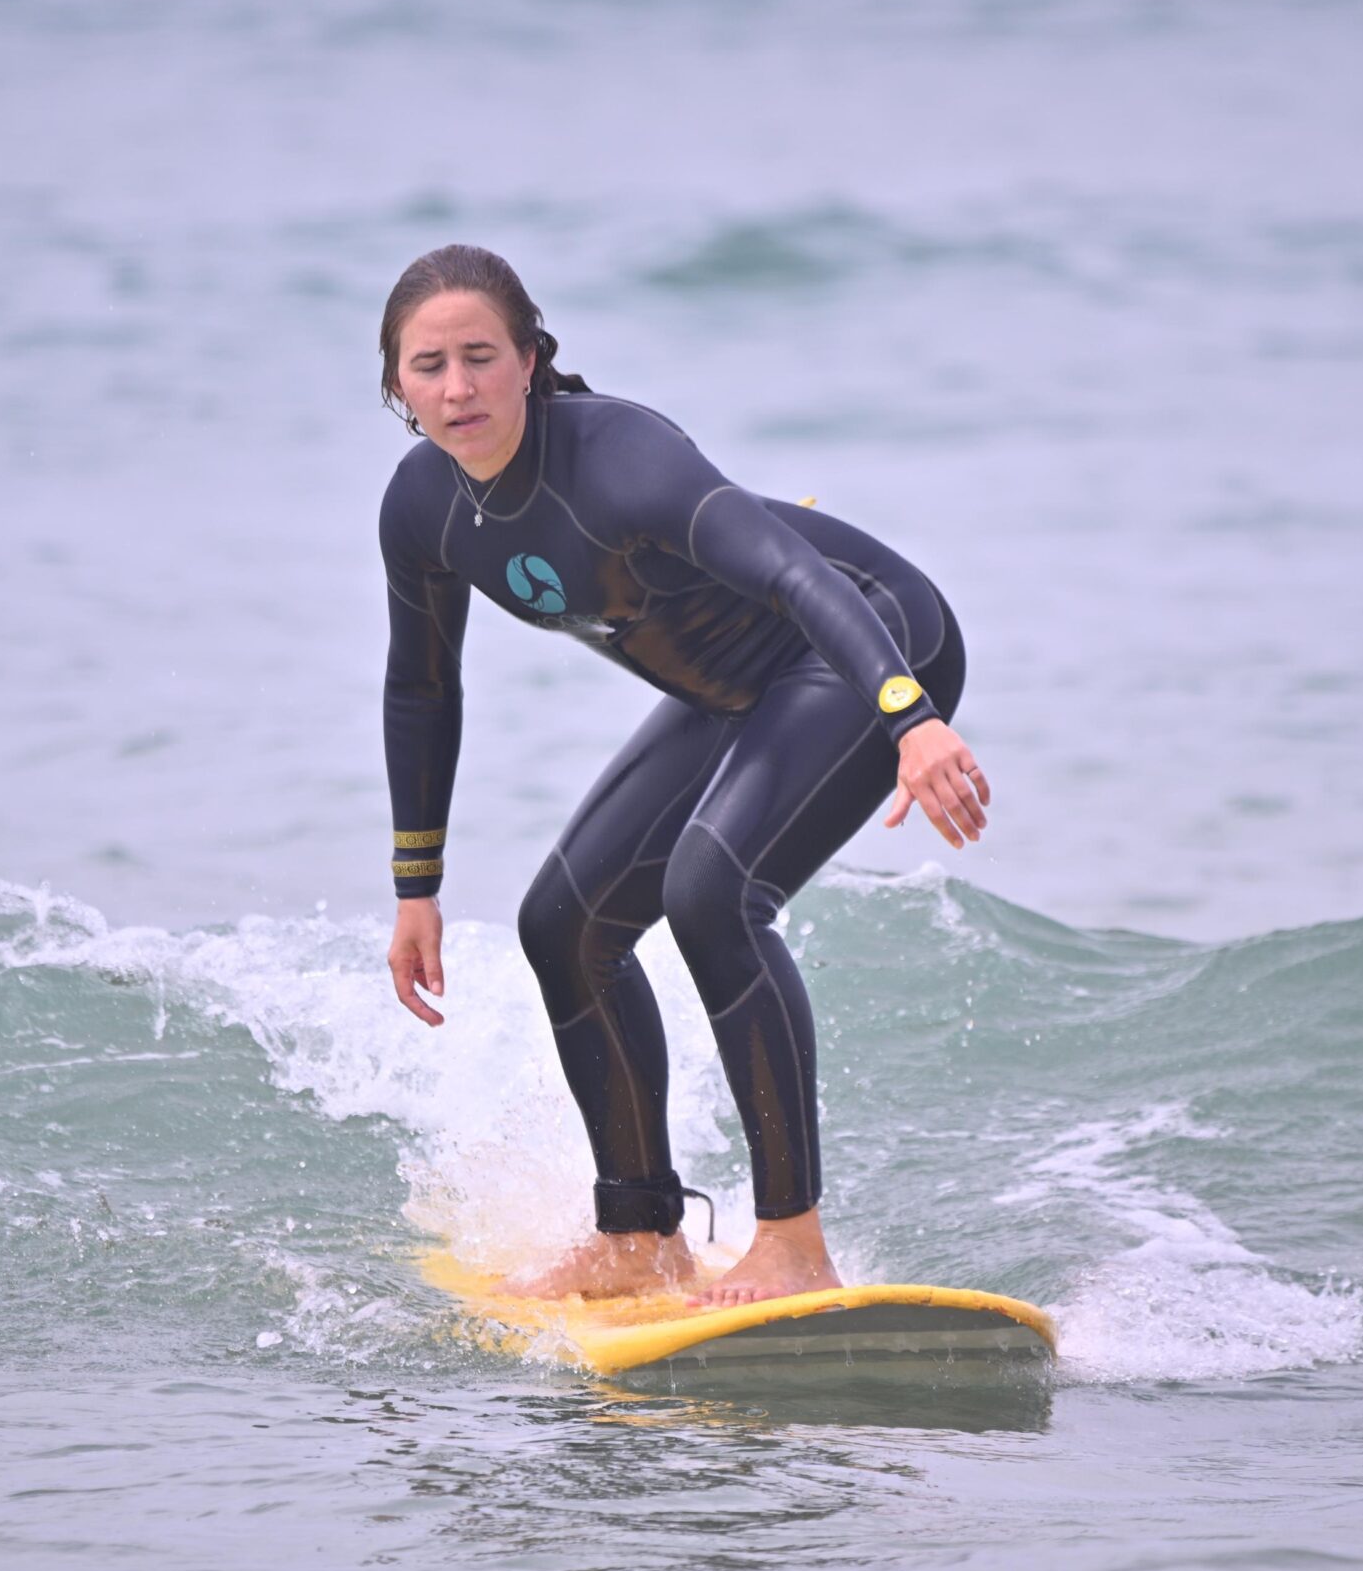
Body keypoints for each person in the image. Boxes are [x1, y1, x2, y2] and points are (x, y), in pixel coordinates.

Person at [375, 245, 991, 1309]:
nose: (458, 386)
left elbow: (799, 577)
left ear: (531, 359)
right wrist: (414, 886)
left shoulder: (622, 458)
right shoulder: (423, 508)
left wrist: (910, 716)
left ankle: (791, 1241)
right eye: (429, 365)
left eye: (481, 356)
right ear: (397, 386)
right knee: (562, 923)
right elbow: (423, 687)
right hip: (735, 686)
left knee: (712, 892)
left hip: (866, 638)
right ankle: (638, 1236)